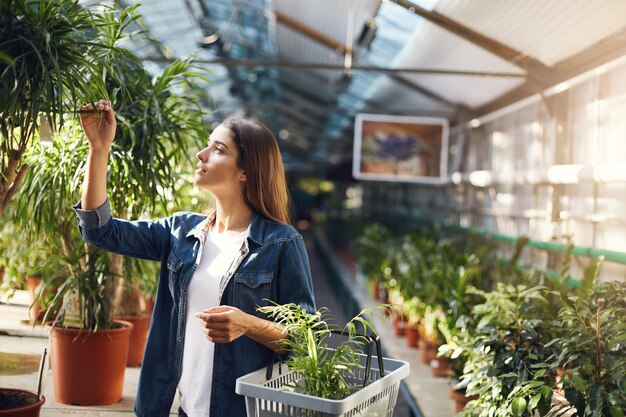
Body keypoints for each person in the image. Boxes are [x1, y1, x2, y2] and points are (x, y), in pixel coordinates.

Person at [74, 99, 316, 417]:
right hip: (182, 408)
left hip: (240, 410)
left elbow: (307, 342)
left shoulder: (281, 243)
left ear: (245, 172)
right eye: (206, 145)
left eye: (217, 149)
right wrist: (99, 148)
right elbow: (100, 231)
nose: (201, 155)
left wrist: (249, 324)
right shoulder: (180, 232)